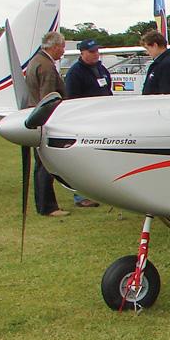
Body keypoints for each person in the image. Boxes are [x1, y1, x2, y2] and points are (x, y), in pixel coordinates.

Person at [64, 39, 112, 207]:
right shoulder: (75, 73)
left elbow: (107, 88)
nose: (96, 54)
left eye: (97, 51)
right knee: (83, 160)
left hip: (104, 120)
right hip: (85, 123)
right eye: (92, 52)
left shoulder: (101, 68)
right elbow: (71, 99)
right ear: (82, 53)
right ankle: (80, 196)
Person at [25, 31, 68, 217]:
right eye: (62, 47)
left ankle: (44, 204)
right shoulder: (47, 67)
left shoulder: (36, 61)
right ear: (55, 46)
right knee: (45, 164)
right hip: (45, 122)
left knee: (40, 164)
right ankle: (48, 206)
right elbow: (49, 98)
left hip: (36, 119)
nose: (63, 51)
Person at [140, 30, 170, 95]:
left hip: (159, 104)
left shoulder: (167, 64)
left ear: (155, 45)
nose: (147, 52)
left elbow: (167, 92)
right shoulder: (161, 63)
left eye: (147, 48)